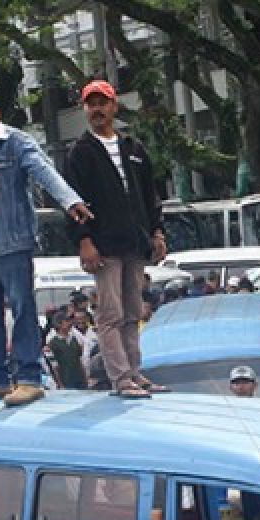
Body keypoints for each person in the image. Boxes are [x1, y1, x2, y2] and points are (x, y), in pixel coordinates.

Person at [0, 86, 92, 408]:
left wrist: (69, 200)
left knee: (22, 307)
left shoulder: (15, 142)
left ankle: (28, 377)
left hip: (10, 240)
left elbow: (44, 171)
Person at [63, 79, 165, 399]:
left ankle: (136, 372)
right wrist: (84, 241)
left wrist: (157, 232)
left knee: (134, 312)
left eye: (102, 103)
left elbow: (151, 195)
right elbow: (71, 202)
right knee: (110, 314)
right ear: (84, 109)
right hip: (104, 246)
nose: (97, 109)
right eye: (91, 104)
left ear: (113, 106)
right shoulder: (80, 153)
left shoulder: (133, 147)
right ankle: (121, 379)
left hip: (135, 242)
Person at [48, 314, 87, 390]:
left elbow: (79, 360)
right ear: (58, 324)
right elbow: (54, 367)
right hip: (66, 380)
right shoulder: (52, 343)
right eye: (66, 321)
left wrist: (85, 378)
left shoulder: (74, 339)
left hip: (80, 379)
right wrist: (60, 384)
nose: (70, 323)